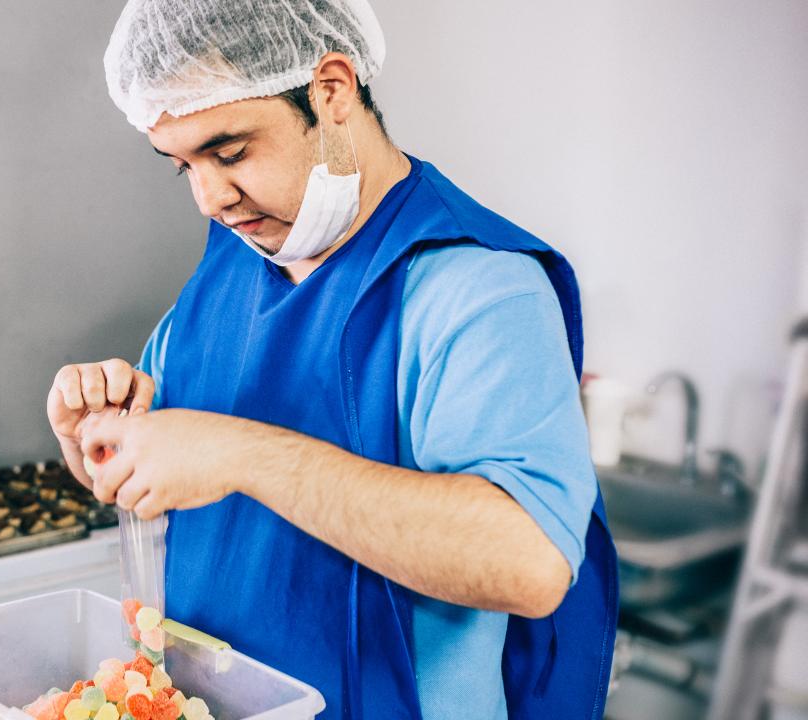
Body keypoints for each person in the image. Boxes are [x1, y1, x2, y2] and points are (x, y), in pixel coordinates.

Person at [45, 1, 618, 717]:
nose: (210, 198)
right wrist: (93, 439)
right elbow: (160, 471)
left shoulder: (475, 288)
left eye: (230, 153)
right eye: (182, 167)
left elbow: (531, 561)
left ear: (333, 90)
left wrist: (242, 455)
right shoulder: (233, 267)